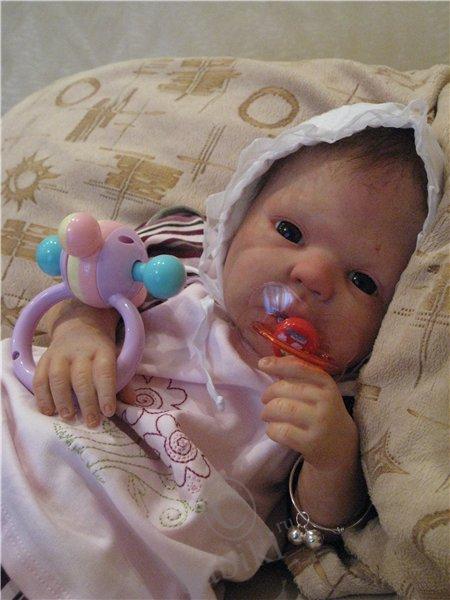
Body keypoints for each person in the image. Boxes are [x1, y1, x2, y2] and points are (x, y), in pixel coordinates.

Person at [2, 101, 444, 600]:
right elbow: (92, 286)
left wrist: (331, 459)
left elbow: (315, 526)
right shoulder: (182, 267)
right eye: (290, 232)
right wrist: (82, 330)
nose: (312, 276)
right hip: (19, 444)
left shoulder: (333, 400)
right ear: (237, 215)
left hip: (108, 562)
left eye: (362, 281)